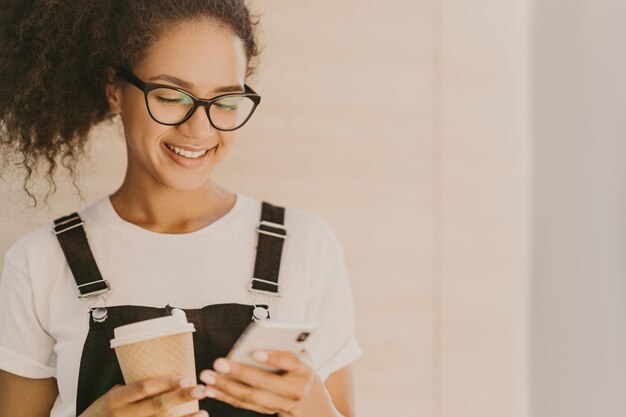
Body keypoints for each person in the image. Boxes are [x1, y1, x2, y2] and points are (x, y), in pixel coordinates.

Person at [0, 1, 362, 417]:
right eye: (172, 96)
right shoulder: (39, 262)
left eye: (225, 102)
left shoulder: (307, 246)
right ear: (114, 90)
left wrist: (313, 406)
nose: (199, 129)